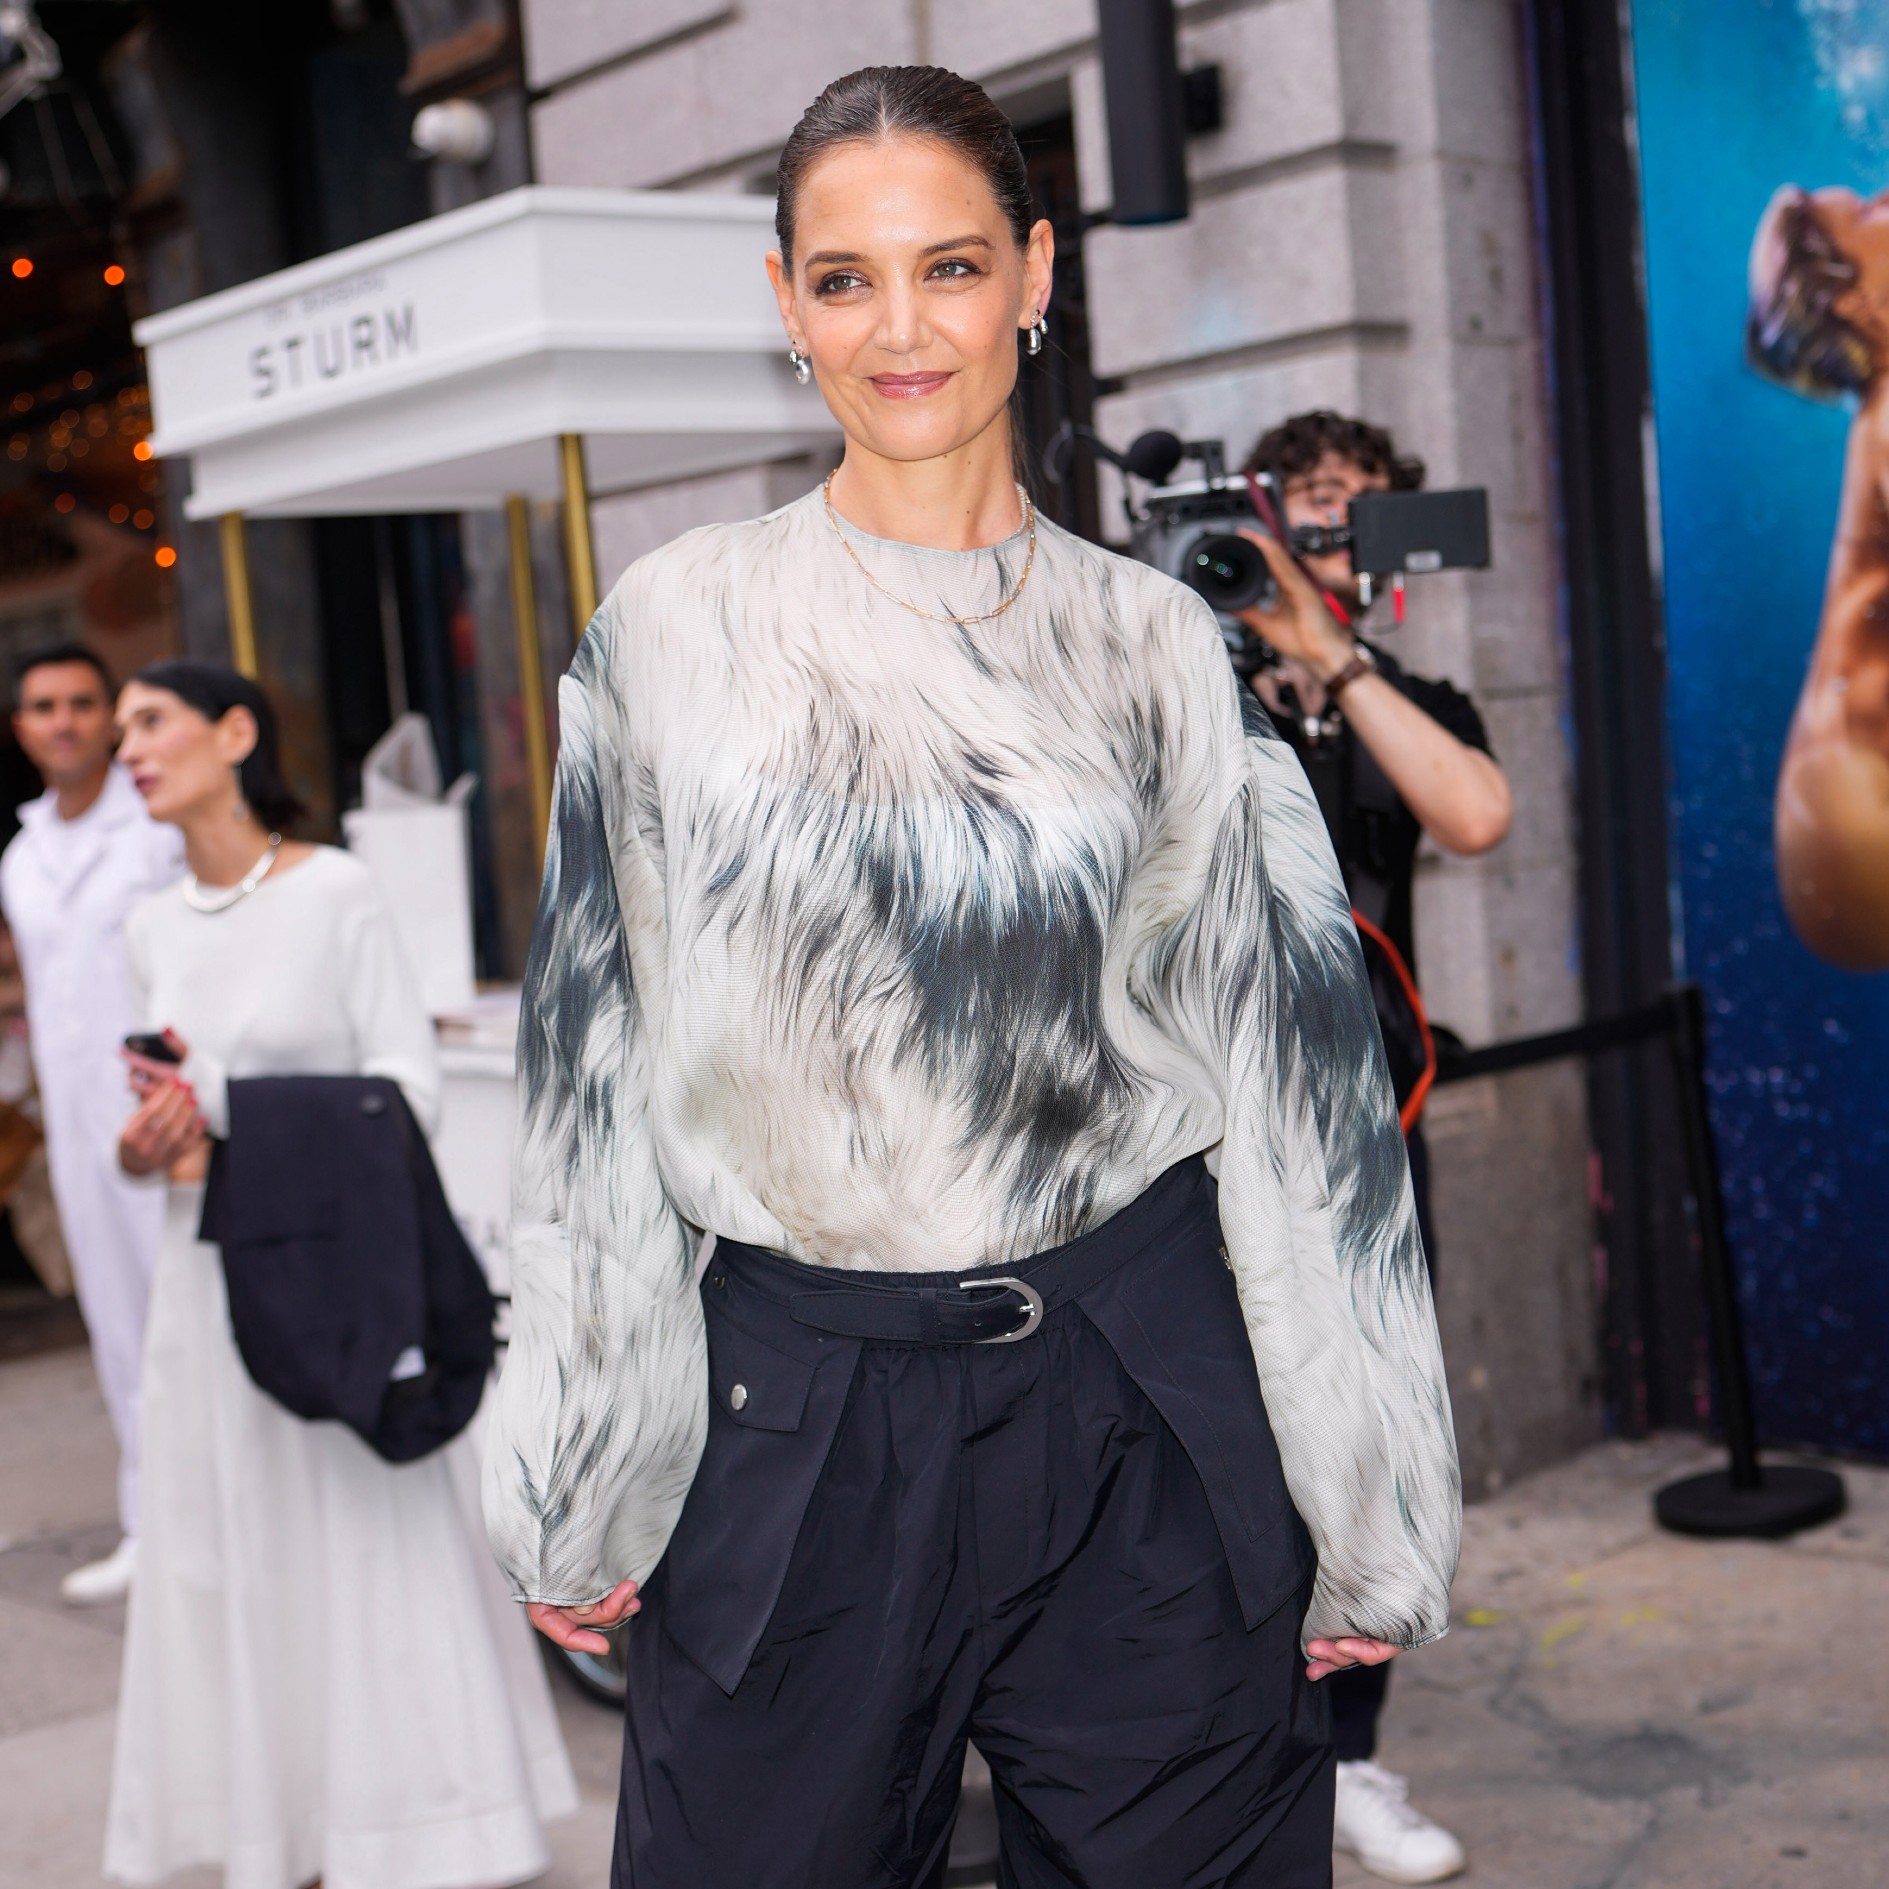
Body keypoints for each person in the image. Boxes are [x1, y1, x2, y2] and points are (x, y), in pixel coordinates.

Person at [483, 65, 1460, 1889]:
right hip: (799, 1411)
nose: (898, 325)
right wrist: (579, 1450)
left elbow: (1292, 1092)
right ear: (782, 303)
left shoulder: (1152, 642)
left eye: (944, 265)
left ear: (1032, 272)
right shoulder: (671, 634)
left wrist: (1363, 1486)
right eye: (842, 278)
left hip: (1139, 1396)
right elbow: (592, 1070)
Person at [102, 660, 577, 1889]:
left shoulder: (339, 894)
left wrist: (229, 1112)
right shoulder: (146, 927)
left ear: (236, 730)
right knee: (238, 1547)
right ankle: (288, 1837)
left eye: (151, 721)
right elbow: (161, 1119)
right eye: (121, 733)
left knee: (361, 1536)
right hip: (202, 1286)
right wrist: (146, 1142)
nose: (130, 748)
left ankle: (412, 1831)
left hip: (335, 1283)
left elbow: (405, 1090)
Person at [1237, 409, 1514, 1883]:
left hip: (1367, 1135)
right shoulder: (1190, 684)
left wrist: (1329, 656)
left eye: (1364, 516)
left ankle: (1349, 1762)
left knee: (1373, 1451)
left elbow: (1474, 813)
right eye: (1314, 508)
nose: (1338, 538)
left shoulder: (1416, 697)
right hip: (1201, 1141)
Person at [0, 643, 183, 1604]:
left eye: (80, 703)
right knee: (116, 1325)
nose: (63, 721)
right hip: (76, 1131)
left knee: (190, 1316)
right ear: (21, 725)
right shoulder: (23, 857)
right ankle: (149, 1524)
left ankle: (223, 1520)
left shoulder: (154, 828)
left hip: (164, 1122)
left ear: (108, 715)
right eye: (43, 706)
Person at [1747, 182, 1889, 968]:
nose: (1887, 195)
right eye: (1867, 210)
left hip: (1838, 794)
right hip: (1854, 799)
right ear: (1854, 301)